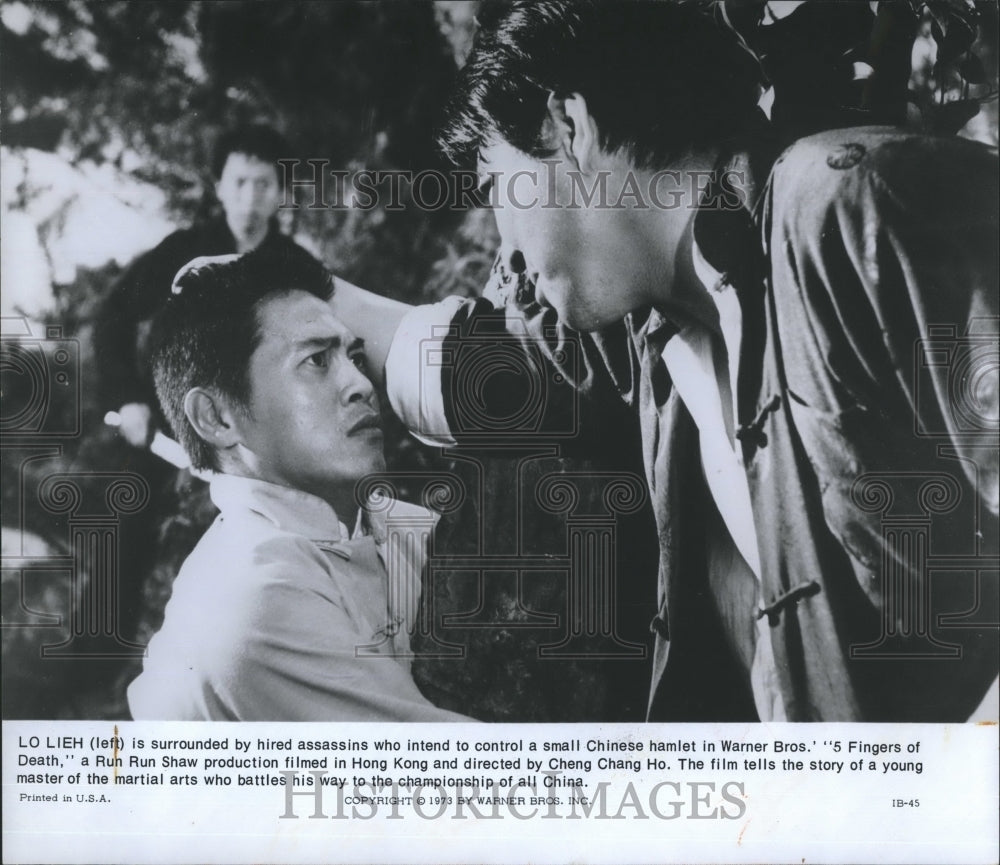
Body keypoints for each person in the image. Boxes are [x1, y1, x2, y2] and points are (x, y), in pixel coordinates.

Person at [330, 0, 998, 721]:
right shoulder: (658, 351)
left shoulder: (855, 209)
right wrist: (301, 294)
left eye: (499, 191)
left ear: (572, 127)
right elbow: (484, 370)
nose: (509, 253)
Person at [126, 246, 468, 721]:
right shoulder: (252, 595)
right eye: (315, 361)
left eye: (355, 357)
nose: (361, 384)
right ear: (217, 417)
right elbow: (463, 779)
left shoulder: (391, 528)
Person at [94, 124, 306, 449]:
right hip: (176, 432)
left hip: (269, 439)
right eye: (239, 182)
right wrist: (127, 398)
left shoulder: (295, 265)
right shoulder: (180, 250)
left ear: (281, 193)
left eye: (263, 184)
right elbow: (113, 315)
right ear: (219, 187)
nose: (250, 197)